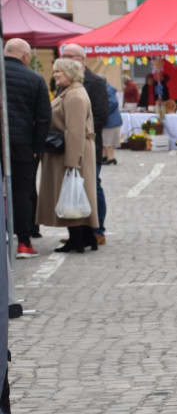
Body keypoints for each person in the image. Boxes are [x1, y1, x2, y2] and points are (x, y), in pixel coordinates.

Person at [37, 58, 100, 253]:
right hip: (70, 151)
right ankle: (87, 237)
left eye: (60, 72)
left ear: (71, 74)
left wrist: (72, 161)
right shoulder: (70, 93)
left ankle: (77, 239)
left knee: (71, 194)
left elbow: (74, 130)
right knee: (74, 194)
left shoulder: (74, 96)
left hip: (71, 152)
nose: (55, 75)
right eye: (55, 71)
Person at [3, 38, 50, 259]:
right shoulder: (35, 78)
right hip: (21, 143)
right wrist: (36, 147)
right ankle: (23, 242)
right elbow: (43, 118)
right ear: (25, 56)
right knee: (23, 191)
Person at [60, 44, 108, 246]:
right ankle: (80, 231)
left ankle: (98, 229)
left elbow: (101, 115)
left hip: (90, 144)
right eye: (65, 56)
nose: (69, 59)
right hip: (70, 143)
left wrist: (81, 131)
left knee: (93, 185)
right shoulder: (63, 82)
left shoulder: (95, 82)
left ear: (83, 59)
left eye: (72, 56)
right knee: (74, 186)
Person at [101, 81, 121, 165]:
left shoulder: (107, 90)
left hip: (110, 121)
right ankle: (105, 156)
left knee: (107, 142)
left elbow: (113, 103)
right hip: (112, 120)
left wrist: (105, 111)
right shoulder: (108, 89)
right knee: (105, 140)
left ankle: (111, 158)